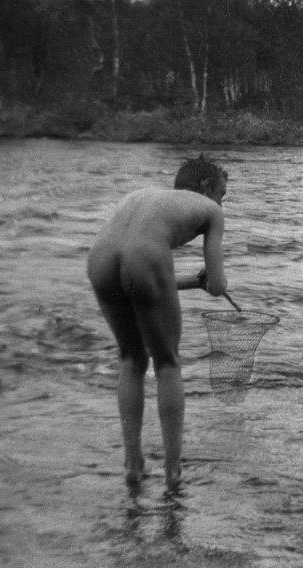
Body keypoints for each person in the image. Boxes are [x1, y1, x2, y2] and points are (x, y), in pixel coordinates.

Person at [87, 153, 230, 490]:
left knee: (131, 359)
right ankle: (173, 471)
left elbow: (136, 279)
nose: (222, 203)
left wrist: (194, 281)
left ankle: (132, 463)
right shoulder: (210, 211)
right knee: (167, 363)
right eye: (222, 195)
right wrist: (209, 280)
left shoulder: (142, 196)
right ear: (208, 187)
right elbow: (218, 286)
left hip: (99, 259)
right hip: (145, 258)